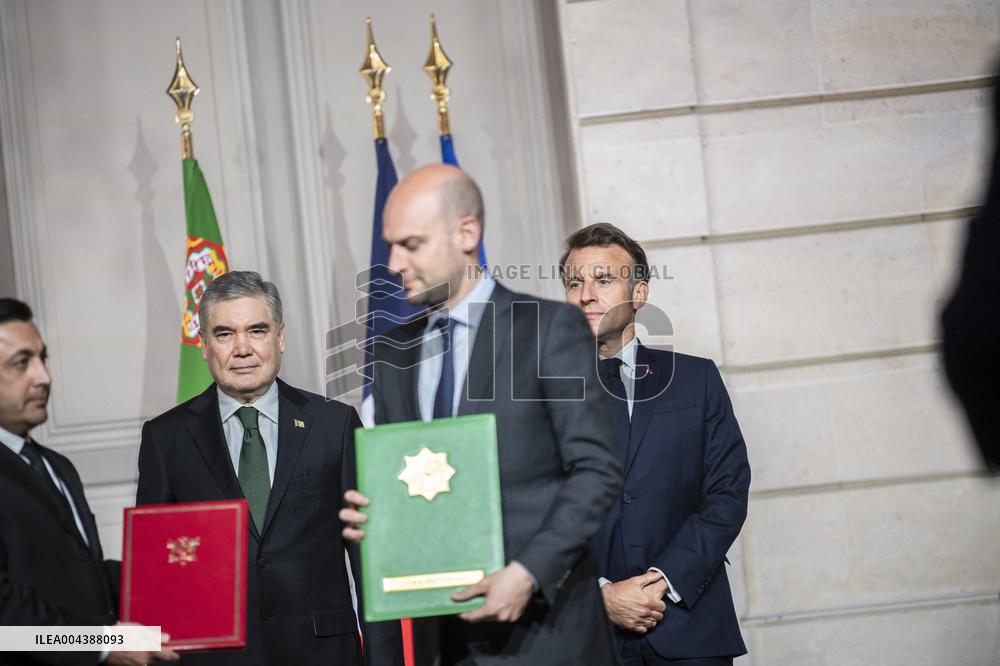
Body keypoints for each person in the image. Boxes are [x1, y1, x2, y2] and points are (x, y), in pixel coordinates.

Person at [339, 164, 623, 665]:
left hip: (546, 637)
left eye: (410, 244)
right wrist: (375, 514)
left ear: (466, 233)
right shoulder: (393, 356)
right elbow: (410, 483)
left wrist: (527, 573)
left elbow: (597, 471)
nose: (392, 263)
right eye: (390, 245)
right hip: (442, 642)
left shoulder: (548, 329)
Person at [136, 272, 402, 665]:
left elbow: (371, 559)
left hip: (324, 655)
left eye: (256, 331)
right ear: (205, 345)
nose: (242, 348)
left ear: (279, 338)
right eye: (224, 334)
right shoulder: (166, 438)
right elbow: (155, 575)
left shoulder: (334, 425)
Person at [560, 223, 751, 665]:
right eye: (575, 282)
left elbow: (726, 494)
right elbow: (526, 510)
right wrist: (600, 594)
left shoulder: (696, 380)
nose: (587, 293)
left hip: (690, 627)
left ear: (639, 294)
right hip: (584, 639)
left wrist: (662, 580)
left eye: (604, 279)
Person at [0, 298, 178, 665]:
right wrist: (102, 644)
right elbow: (7, 623)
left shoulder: (57, 466)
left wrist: (178, 571)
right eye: (22, 363)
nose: (44, 377)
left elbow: (83, 575)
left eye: (42, 358)